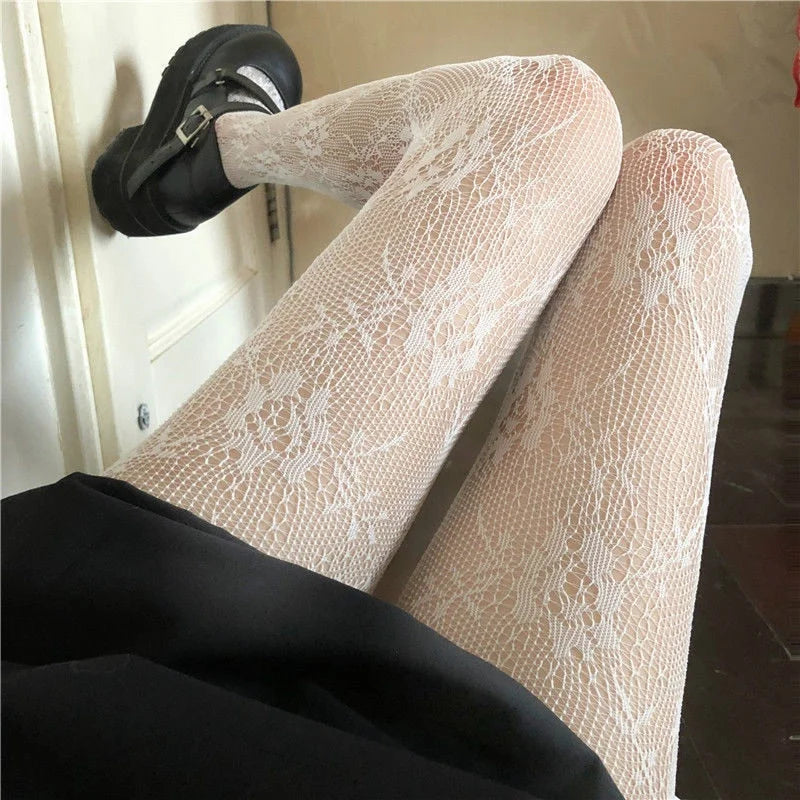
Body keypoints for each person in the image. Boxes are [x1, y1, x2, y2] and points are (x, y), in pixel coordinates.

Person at [2, 25, 751, 800]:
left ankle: (220, 149)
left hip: (120, 706)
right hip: (511, 775)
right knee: (686, 187)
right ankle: (211, 160)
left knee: (549, 106)